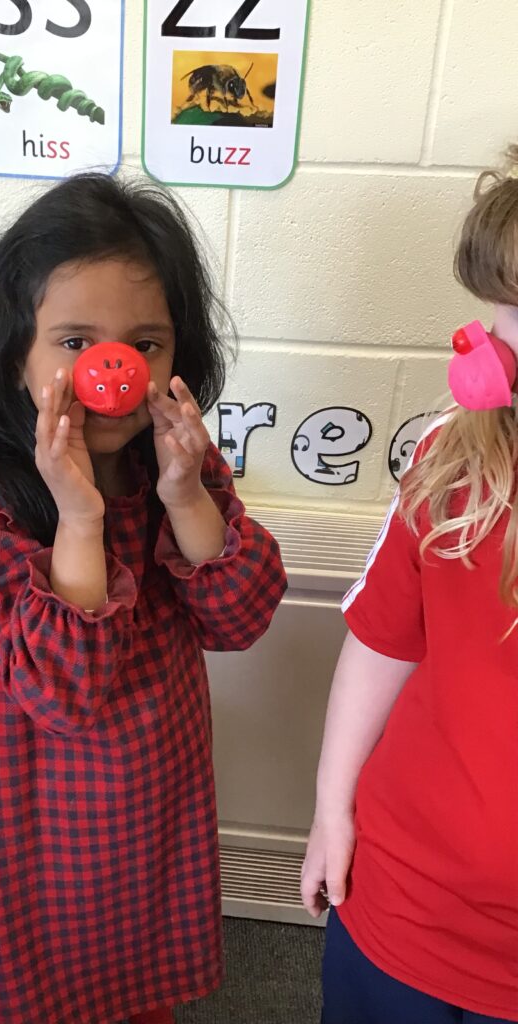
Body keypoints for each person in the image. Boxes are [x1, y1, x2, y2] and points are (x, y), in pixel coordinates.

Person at [0, 173, 287, 1024]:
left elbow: (239, 618)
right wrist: (80, 517)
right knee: (61, 979)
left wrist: (186, 497)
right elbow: (64, 693)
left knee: (143, 971)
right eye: (75, 341)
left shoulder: (179, 468)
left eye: (145, 343)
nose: (111, 372)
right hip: (51, 815)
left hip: (162, 794)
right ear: (14, 354)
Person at [301, 149, 518, 1023]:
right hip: (403, 901)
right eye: (502, 308)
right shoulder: (450, 455)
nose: (498, 346)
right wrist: (332, 812)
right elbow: (381, 642)